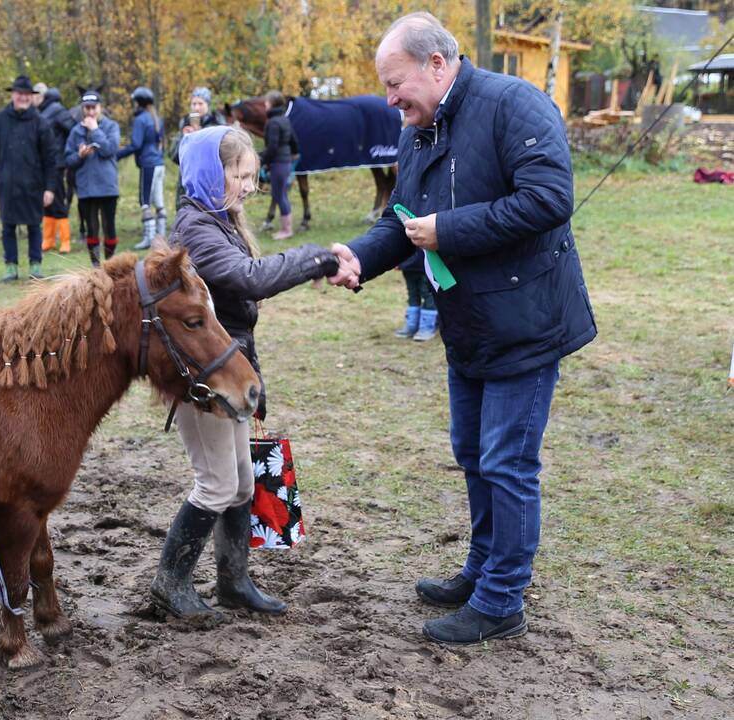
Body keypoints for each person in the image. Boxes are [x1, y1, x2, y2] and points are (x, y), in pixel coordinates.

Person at [329, 12, 596, 645]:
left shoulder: (516, 105)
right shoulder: (419, 129)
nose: (390, 99)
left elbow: (549, 199)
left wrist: (449, 230)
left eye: (396, 83)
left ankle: (503, 599)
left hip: (527, 322)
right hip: (470, 325)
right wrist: (360, 258)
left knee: (507, 462)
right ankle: (483, 571)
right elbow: (402, 219)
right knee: (474, 454)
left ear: (437, 65)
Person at [151, 125, 338, 620]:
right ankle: (170, 585)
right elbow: (248, 280)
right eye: (240, 175)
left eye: (253, 176)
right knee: (215, 484)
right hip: (205, 379)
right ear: (212, 174)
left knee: (239, 485)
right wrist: (315, 259)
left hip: (230, 369)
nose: (250, 186)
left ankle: (234, 582)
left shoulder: (219, 221)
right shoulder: (196, 229)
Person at [0, 75, 59, 282]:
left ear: (32, 97)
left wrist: (50, 188)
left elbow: (51, 159)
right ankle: (11, 266)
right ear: (13, 95)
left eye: (27, 95)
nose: (23, 98)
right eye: (20, 94)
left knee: (34, 225)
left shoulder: (41, 123)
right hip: (7, 183)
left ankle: (35, 264)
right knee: (8, 226)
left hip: (34, 184)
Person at [64, 90, 120, 267]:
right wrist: (80, 155)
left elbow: (109, 149)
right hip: (86, 188)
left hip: (107, 186)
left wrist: (95, 130)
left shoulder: (111, 127)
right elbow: (68, 160)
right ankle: (96, 266)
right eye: (87, 108)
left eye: (94, 107)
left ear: (100, 108)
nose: (90, 112)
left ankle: (110, 265)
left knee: (109, 227)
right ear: (82, 109)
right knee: (92, 228)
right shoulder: (75, 131)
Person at [117, 86, 165, 250]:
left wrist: (118, 154)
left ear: (138, 102)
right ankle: (162, 236)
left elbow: (136, 144)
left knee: (145, 201)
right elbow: (160, 143)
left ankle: (150, 239)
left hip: (148, 164)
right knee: (158, 201)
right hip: (159, 163)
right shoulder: (157, 118)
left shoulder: (140, 119)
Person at [168, 86, 226, 211]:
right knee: (185, 211)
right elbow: (174, 155)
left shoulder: (217, 123)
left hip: (209, 178)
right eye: (193, 104)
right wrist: (184, 139)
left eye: (200, 103)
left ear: (208, 105)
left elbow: (219, 153)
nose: (196, 108)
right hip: (187, 177)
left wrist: (199, 135)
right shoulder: (185, 123)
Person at [38, 87, 76, 254]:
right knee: (48, 202)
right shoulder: (44, 111)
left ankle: (65, 241)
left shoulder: (58, 111)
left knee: (58, 200)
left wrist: (66, 150)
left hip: (57, 163)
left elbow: (73, 130)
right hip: (47, 162)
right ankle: (48, 240)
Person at [259, 90, 299, 241]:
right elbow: (294, 140)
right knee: (281, 194)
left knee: (279, 195)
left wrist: (261, 160)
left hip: (278, 163)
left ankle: (286, 230)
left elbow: (273, 148)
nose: (265, 105)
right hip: (285, 162)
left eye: (266, 102)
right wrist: (294, 153)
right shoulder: (284, 119)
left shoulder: (274, 122)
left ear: (272, 104)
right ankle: (286, 228)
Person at [394, 248, 439, 341]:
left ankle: (427, 326)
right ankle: (412, 325)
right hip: (408, 265)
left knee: (428, 294)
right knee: (412, 294)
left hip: (427, 264)